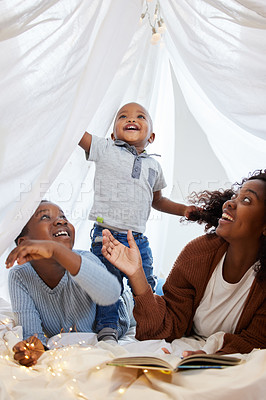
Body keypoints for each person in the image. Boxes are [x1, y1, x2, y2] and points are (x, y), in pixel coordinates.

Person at [101, 169, 266, 355]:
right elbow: (165, 327)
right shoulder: (198, 253)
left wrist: (213, 355)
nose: (230, 203)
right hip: (188, 351)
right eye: (235, 196)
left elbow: (257, 342)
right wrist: (136, 274)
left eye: (246, 200)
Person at [79, 102, 198, 342]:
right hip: (106, 235)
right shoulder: (105, 149)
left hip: (137, 239)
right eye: (122, 116)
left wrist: (184, 209)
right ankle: (107, 328)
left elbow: (159, 201)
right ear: (113, 134)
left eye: (140, 116)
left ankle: (153, 324)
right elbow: (77, 133)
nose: (131, 119)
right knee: (109, 285)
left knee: (146, 282)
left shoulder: (154, 166)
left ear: (151, 136)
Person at [6, 200, 130, 366]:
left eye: (63, 216)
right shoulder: (19, 276)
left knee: (150, 296)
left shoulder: (86, 259)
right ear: (24, 243)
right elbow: (33, 333)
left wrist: (56, 250)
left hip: (122, 310)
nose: (61, 221)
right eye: (45, 217)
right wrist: (34, 348)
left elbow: (112, 294)